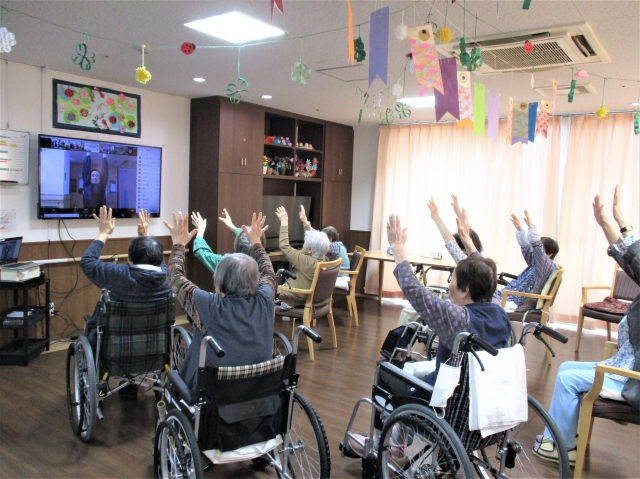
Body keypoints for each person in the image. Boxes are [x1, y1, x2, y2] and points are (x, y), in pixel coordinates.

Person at [533, 186, 639, 466]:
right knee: (567, 368)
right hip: (627, 366)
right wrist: (607, 224)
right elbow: (630, 261)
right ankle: (562, 438)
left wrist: (620, 222)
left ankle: (561, 446)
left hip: (633, 378)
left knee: (568, 379)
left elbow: (636, 262)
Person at [388, 211, 512, 385]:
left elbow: (413, 289)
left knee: (387, 375)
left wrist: (397, 247)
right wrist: (467, 241)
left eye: (452, 279)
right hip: (485, 389)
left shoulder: (458, 319)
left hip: (448, 392)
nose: (449, 285)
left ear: (465, 290)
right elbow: (486, 273)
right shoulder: (498, 310)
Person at [165, 211, 275, 391]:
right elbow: (268, 271)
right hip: (259, 390)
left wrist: (178, 244)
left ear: (219, 282)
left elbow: (174, 277)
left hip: (216, 393)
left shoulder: (209, 305)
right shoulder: (265, 299)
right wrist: (256, 242)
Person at [80, 207, 171, 350]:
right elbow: (160, 264)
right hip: (153, 346)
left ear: (129, 259)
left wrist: (104, 233)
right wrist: (146, 237)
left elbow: (87, 262)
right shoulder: (167, 278)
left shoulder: (118, 274)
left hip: (113, 347)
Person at [397, 195, 484, 327]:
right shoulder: (482, 264)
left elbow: (453, 242)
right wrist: (458, 213)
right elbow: (467, 236)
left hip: (460, 308)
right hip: (463, 306)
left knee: (407, 313)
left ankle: (400, 340)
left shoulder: (469, 264)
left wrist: (436, 217)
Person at [496, 209, 559, 310]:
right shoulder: (537, 264)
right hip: (507, 296)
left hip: (514, 300)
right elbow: (526, 247)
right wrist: (520, 229)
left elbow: (536, 244)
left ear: (550, 253)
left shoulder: (547, 266)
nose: (536, 250)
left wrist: (530, 226)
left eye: (540, 248)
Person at [275, 206, 330, 309]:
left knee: (264, 288)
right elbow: (316, 241)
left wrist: (284, 222)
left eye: (305, 243)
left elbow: (284, 247)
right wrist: (305, 222)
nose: (303, 245)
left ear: (309, 250)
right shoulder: (324, 259)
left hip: (294, 297)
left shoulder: (307, 262)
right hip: (307, 296)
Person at [190, 208, 264, 275]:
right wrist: (232, 226)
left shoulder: (227, 264)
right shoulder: (265, 267)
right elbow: (250, 242)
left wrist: (200, 230)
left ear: (236, 245)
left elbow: (201, 252)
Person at [298, 205, 351, 289]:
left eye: (322, 237)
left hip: (339, 277)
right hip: (339, 275)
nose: (320, 239)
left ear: (330, 239)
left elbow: (314, 237)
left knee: (308, 278)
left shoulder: (333, 247)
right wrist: (305, 222)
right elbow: (315, 235)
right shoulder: (338, 245)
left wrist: (305, 222)